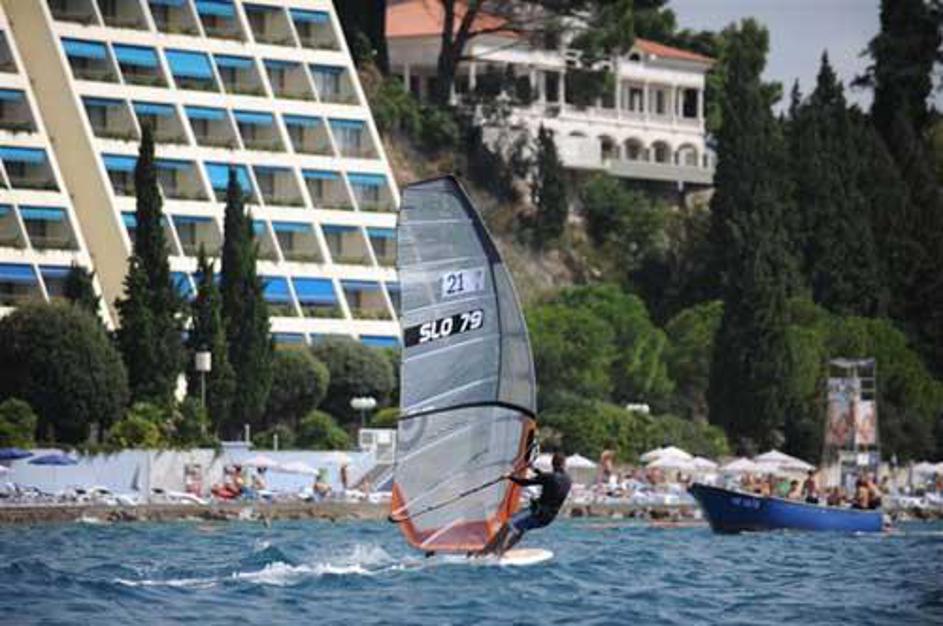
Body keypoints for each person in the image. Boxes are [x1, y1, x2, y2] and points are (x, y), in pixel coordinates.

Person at [476, 452, 572, 557]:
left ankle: (487, 552)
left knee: (507, 525)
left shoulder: (549, 477)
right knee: (520, 529)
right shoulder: (568, 480)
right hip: (548, 519)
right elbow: (546, 478)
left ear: (552, 464)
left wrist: (510, 477)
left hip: (536, 514)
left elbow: (525, 483)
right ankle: (500, 552)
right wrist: (533, 469)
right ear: (564, 464)